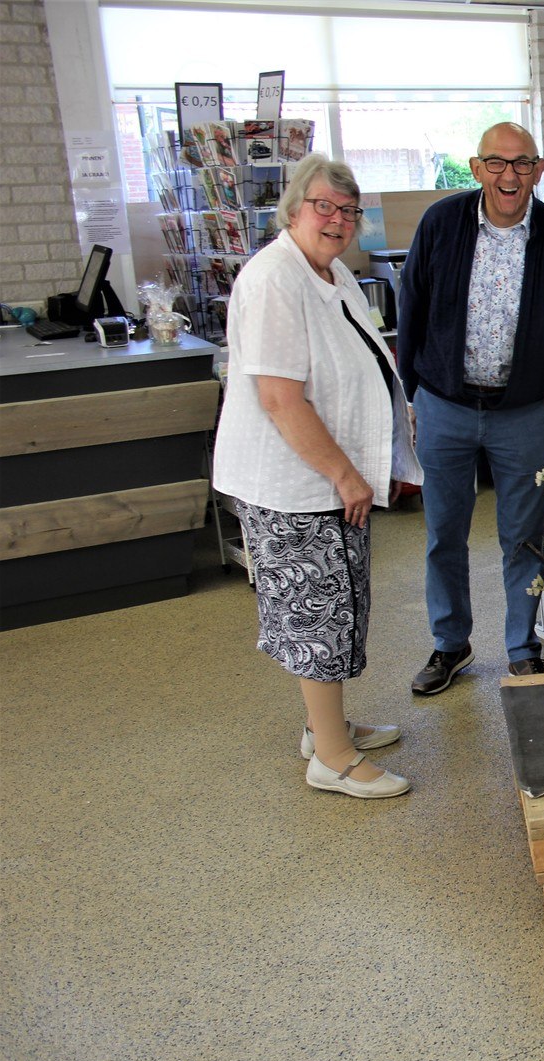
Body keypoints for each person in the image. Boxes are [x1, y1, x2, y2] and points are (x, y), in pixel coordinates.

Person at [212, 154, 422, 799]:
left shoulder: (330, 273)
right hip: (296, 484)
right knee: (317, 617)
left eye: (348, 210)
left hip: (332, 478)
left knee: (337, 606)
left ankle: (324, 726)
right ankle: (331, 759)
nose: (337, 219)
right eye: (324, 206)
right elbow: (280, 397)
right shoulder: (274, 279)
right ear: (294, 209)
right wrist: (344, 473)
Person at [398, 122, 544, 695]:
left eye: (522, 164)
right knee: (444, 533)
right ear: (476, 169)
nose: (509, 176)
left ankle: (523, 648)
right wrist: (408, 394)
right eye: (497, 164)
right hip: (444, 404)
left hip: (522, 412)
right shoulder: (441, 223)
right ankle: (450, 644)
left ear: (538, 171)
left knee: (523, 538)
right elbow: (411, 309)